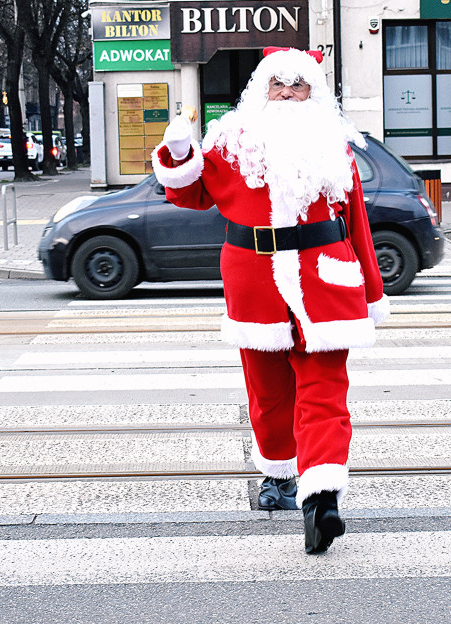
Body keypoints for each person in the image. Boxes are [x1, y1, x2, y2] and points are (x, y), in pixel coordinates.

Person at [152, 47, 388, 554]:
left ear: (313, 92)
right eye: (277, 84)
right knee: (268, 392)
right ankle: (281, 477)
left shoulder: (334, 145)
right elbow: (190, 194)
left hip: (326, 279)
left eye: (297, 85)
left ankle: (321, 496)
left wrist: (372, 292)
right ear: (261, 90)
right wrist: (177, 152)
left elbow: (359, 226)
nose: (286, 93)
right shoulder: (232, 141)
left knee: (325, 390)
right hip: (255, 280)